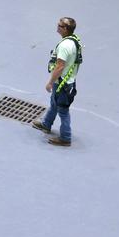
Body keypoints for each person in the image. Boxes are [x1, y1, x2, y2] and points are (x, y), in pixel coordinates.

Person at [33, 16, 82, 146]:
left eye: (60, 25)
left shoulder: (65, 46)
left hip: (62, 83)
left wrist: (50, 82)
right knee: (54, 103)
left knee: (63, 111)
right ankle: (46, 124)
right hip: (68, 81)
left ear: (66, 29)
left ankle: (65, 137)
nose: (57, 27)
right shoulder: (74, 41)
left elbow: (60, 66)